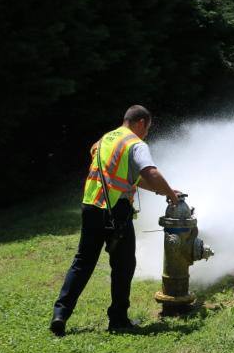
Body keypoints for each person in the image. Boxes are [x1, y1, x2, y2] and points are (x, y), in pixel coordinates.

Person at [50, 105, 180, 336]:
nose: (146, 133)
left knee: (82, 263)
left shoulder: (106, 139)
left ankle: (60, 314)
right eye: (147, 129)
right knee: (123, 265)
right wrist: (170, 194)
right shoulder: (135, 143)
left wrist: (163, 191)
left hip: (91, 206)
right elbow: (150, 172)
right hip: (116, 212)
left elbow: (130, 178)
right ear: (140, 122)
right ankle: (118, 319)